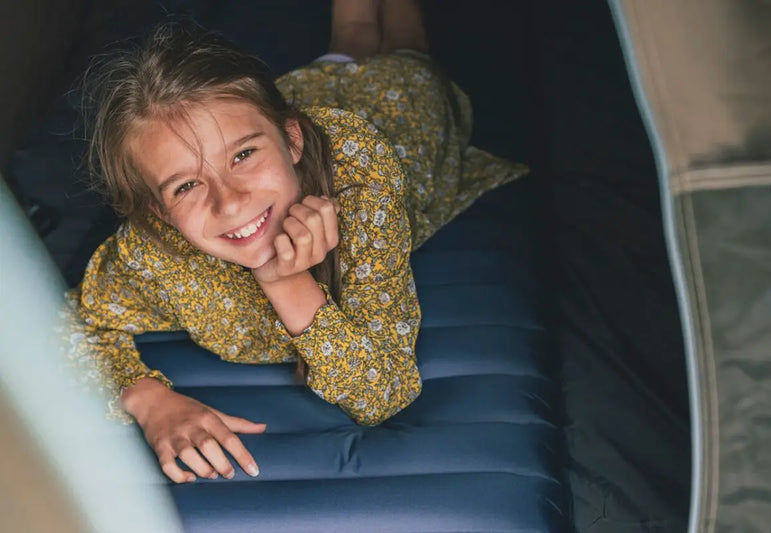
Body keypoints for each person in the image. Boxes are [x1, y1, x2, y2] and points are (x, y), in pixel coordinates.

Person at [65, 0, 528, 484]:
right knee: (352, 42)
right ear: (160, 211)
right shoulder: (155, 251)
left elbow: (385, 393)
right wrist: (148, 400)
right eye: (186, 185)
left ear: (292, 141)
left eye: (243, 156)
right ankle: (347, 35)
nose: (230, 202)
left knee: (408, 52)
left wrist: (286, 282)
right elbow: (73, 320)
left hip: (401, 113)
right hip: (296, 99)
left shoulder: (361, 188)